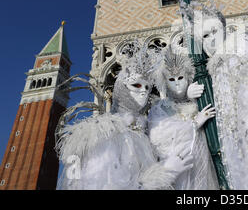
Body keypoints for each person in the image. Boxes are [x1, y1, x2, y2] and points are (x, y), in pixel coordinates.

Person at [56, 42, 193, 190]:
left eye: (147, 87)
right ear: (121, 89)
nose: (144, 92)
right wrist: (166, 172)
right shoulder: (104, 133)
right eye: (137, 85)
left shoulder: (143, 133)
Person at [148, 46, 219, 190]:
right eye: (171, 79)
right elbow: (159, 135)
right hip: (179, 168)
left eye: (181, 78)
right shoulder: (160, 108)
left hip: (201, 162)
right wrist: (194, 123)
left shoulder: (197, 101)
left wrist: (189, 99)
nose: (177, 83)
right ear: (164, 82)